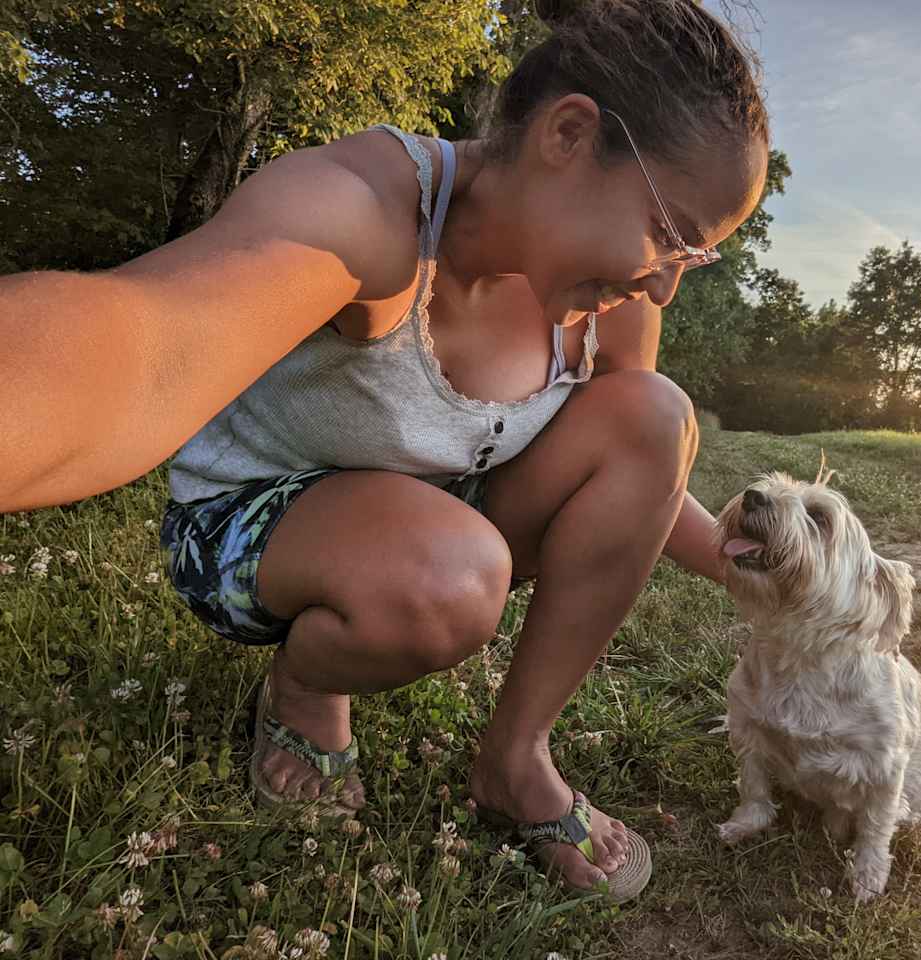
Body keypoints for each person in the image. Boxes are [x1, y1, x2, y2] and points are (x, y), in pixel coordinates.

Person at [0, 0, 769, 900]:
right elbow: (142, 348)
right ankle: (305, 687)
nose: (666, 280)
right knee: (451, 574)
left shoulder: (617, 298)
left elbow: (642, 475)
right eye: (672, 235)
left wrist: (774, 573)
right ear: (568, 133)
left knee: (653, 414)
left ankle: (515, 758)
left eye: (697, 259)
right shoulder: (367, 208)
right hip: (255, 531)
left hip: (438, 522)